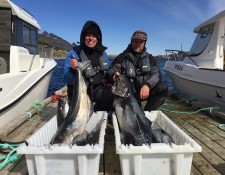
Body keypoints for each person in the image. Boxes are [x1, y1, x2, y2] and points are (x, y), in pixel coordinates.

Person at [109, 30, 168, 111]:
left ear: (144, 43)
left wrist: (147, 85)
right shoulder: (121, 57)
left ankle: (147, 113)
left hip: (144, 91)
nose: (137, 44)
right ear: (131, 41)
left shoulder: (150, 58)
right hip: (127, 93)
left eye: (140, 42)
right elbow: (112, 69)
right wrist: (114, 74)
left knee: (162, 88)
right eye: (135, 41)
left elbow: (157, 74)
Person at [64, 20, 113, 112]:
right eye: (88, 35)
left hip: (96, 89)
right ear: (83, 37)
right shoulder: (73, 53)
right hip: (78, 92)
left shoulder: (102, 53)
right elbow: (68, 80)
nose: (91, 38)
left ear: (97, 39)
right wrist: (73, 69)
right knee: (78, 119)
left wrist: (108, 79)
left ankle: (97, 113)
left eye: (94, 36)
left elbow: (107, 70)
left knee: (111, 94)